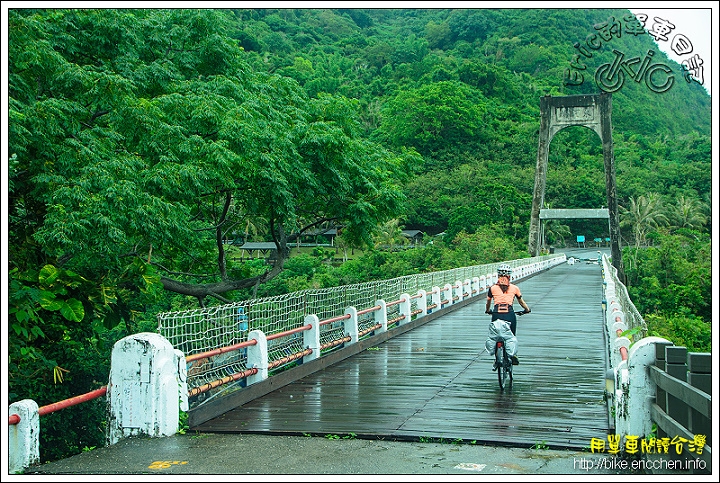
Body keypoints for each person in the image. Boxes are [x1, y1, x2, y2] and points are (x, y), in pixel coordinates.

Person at [485, 263, 531, 365]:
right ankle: (513, 354)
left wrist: (488, 310)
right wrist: (527, 309)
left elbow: (488, 302)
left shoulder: (492, 288)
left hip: (496, 314)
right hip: (509, 314)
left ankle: (497, 359)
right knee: (511, 336)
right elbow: (521, 302)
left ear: (498, 276)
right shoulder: (515, 288)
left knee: (496, 334)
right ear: (509, 276)